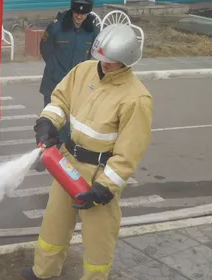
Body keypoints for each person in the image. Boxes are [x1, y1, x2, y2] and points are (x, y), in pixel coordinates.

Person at [21, 23, 153, 280]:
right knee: (54, 225)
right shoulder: (83, 72)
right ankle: (43, 272)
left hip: (99, 175)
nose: (104, 64)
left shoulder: (136, 99)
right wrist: (48, 122)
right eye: (101, 57)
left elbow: (128, 153)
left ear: (126, 60)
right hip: (68, 162)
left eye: (111, 61)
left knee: (98, 241)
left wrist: (104, 189)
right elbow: (59, 101)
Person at [39, 0, 100, 146]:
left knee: (69, 122)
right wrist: (54, 69)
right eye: (76, 13)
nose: (79, 16)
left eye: (83, 13)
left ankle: (63, 154)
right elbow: (45, 48)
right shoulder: (56, 26)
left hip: (76, 85)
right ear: (72, 10)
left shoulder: (92, 30)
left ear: (88, 13)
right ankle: (44, 151)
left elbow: (92, 53)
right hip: (54, 82)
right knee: (50, 120)